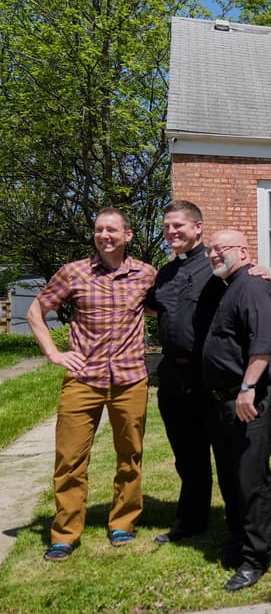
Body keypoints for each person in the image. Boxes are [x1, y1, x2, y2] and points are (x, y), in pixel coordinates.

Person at [26, 207, 157, 562]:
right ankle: (65, 533)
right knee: (69, 458)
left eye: (111, 230)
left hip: (130, 380)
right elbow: (35, 311)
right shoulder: (74, 273)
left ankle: (123, 523)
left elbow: (180, 299)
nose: (104, 235)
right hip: (83, 379)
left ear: (127, 235)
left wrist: (247, 274)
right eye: (99, 230)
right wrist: (54, 353)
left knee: (130, 456)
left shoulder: (146, 274)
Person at [146, 200, 237, 547]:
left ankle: (237, 525)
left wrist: (262, 272)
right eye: (167, 227)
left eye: (178, 226)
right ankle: (191, 522)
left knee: (226, 454)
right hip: (172, 378)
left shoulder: (216, 266)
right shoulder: (165, 273)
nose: (171, 232)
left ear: (198, 227)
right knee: (187, 456)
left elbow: (246, 280)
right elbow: (154, 307)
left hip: (208, 376)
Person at [202, 229, 271, 592]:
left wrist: (248, 387)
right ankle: (252, 540)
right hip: (228, 399)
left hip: (254, 396)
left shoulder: (252, 285)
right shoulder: (230, 286)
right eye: (210, 251)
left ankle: (256, 559)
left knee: (250, 478)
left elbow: (264, 342)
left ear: (244, 251)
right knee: (235, 476)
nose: (213, 255)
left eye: (220, 249)